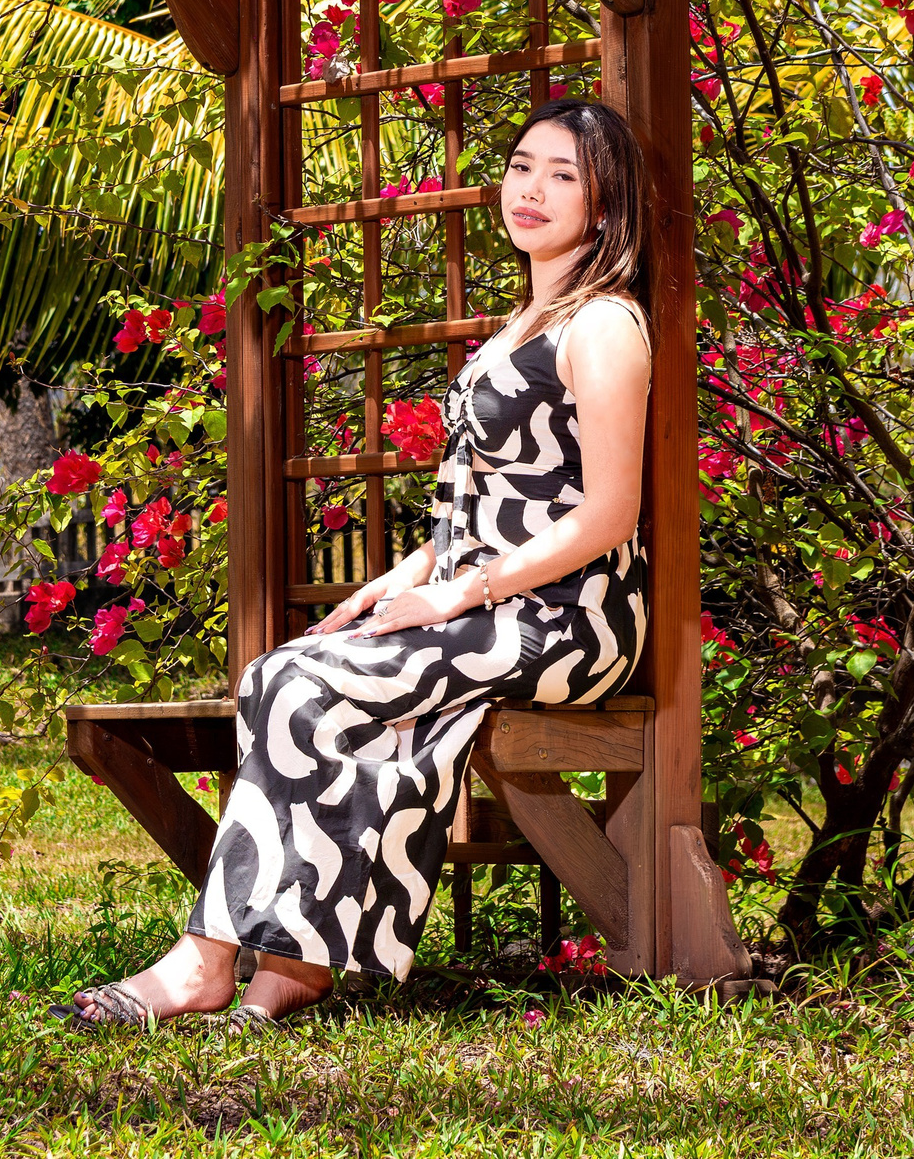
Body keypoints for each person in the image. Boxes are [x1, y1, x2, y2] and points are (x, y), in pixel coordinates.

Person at [54, 96, 655, 1030]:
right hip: (488, 598)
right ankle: (292, 965)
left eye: (563, 176)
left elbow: (610, 513)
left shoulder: (604, 325)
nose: (530, 190)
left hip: (572, 616)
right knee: (280, 675)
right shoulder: (524, 323)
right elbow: (496, 503)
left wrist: (463, 590)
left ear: (607, 204)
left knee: (297, 686)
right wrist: (401, 580)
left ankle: (206, 965)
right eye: (522, 166)